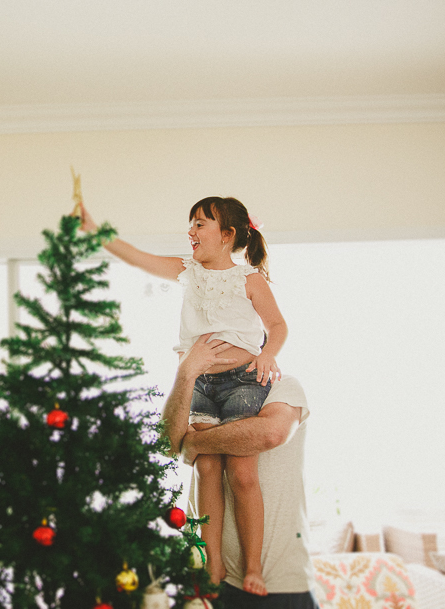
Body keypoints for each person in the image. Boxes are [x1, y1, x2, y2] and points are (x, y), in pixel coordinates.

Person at [80, 197, 287, 595]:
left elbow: (277, 325)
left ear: (227, 235)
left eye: (200, 224)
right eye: (191, 224)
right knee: (206, 469)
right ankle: (212, 564)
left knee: (242, 474)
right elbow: (136, 257)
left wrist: (267, 354)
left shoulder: (248, 279)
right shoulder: (186, 271)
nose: (191, 231)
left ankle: (253, 567)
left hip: (244, 382)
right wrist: (94, 231)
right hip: (201, 385)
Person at [164, 333, 317, 608]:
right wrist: (186, 372)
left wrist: (195, 442)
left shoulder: (282, 385)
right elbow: (167, 445)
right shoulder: (195, 389)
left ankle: (251, 566)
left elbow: (270, 433)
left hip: (277, 583)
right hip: (207, 576)